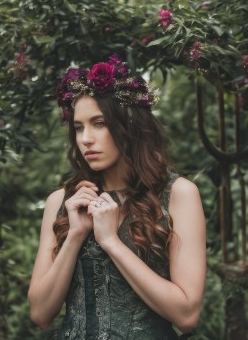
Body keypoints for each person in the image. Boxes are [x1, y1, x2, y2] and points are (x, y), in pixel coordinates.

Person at [28, 54, 206, 340]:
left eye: (99, 123)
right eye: (78, 127)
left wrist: (111, 242)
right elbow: (40, 314)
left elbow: (187, 315)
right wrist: (75, 236)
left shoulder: (177, 194)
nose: (85, 138)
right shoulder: (61, 202)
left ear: (128, 126)